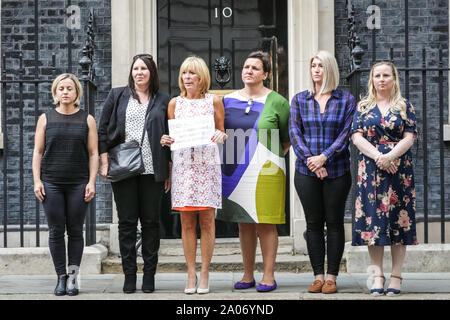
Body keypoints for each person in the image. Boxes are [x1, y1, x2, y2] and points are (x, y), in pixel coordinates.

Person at [215, 51, 290, 293]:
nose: (249, 71)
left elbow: (287, 139)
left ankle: (268, 276)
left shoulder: (278, 101)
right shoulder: (227, 100)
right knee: (243, 223)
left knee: (266, 222)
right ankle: (247, 275)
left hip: (267, 170)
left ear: (266, 74)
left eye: (255, 68)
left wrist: (267, 155)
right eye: (246, 67)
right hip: (234, 168)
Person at [98, 54, 171, 294]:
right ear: (131, 72)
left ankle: (149, 275)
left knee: (151, 223)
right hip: (124, 167)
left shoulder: (163, 99)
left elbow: (171, 133)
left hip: (152, 169)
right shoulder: (117, 95)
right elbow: (102, 129)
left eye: (144, 68)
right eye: (135, 68)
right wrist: (104, 160)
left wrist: (168, 165)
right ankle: (129, 275)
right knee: (127, 223)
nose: (139, 72)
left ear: (152, 73)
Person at [290, 50, 356, 294]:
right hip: (306, 173)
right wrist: (311, 161)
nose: (316, 70)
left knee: (335, 223)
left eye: (321, 66)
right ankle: (317, 276)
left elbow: (346, 134)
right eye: (313, 66)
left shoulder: (346, 100)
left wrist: (324, 158)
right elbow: (295, 133)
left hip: (337, 172)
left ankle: (332, 277)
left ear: (330, 70)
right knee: (313, 223)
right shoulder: (300, 99)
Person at [351, 61, 418, 296]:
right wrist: (380, 157)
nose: (381, 79)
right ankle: (377, 275)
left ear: (394, 79)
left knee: (398, 222)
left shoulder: (404, 106)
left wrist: (390, 157)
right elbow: (356, 138)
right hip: (371, 170)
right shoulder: (363, 107)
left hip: (399, 170)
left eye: (386, 75)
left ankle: (396, 275)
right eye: (377, 75)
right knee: (374, 225)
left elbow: (409, 137)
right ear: (372, 79)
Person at [160, 56, 225, 294]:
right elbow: (172, 136)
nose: (187, 77)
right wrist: (166, 140)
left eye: (192, 73)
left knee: (207, 220)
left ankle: (205, 272)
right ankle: (190, 273)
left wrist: (221, 136)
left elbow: (222, 131)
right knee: (187, 222)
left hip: (207, 166)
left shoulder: (214, 101)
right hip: (184, 167)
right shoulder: (174, 104)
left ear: (202, 78)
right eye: (184, 73)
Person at [32, 73, 99, 296]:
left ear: (76, 92)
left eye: (70, 88)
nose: (65, 92)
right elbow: (38, 152)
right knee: (56, 231)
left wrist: (91, 181)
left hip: (78, 183)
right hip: (51, 183)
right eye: (61, 89)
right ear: (55, 92)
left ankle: (72, 277)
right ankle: (60, 277)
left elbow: (93, 153)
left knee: (76, 231)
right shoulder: (46, 118)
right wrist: (37, 180)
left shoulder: (87, 119)